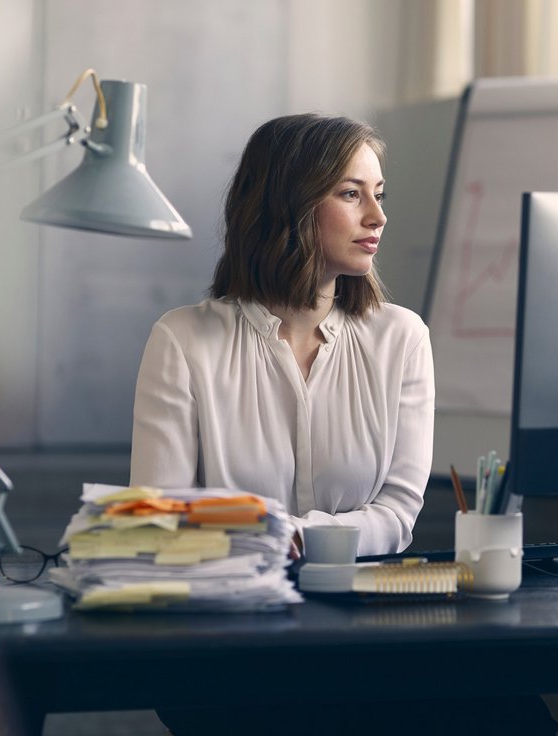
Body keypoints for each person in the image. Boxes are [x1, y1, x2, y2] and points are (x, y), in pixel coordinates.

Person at [129, 113, 434, 558]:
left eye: (379, 195)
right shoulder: (182, 340)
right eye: (352, 194)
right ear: (290, 205)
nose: (378, 216)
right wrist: (285, 536)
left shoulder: (402, 338)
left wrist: (290, 536)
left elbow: (397, 512)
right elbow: (158, 517)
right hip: (230, 611)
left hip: (359, 612)